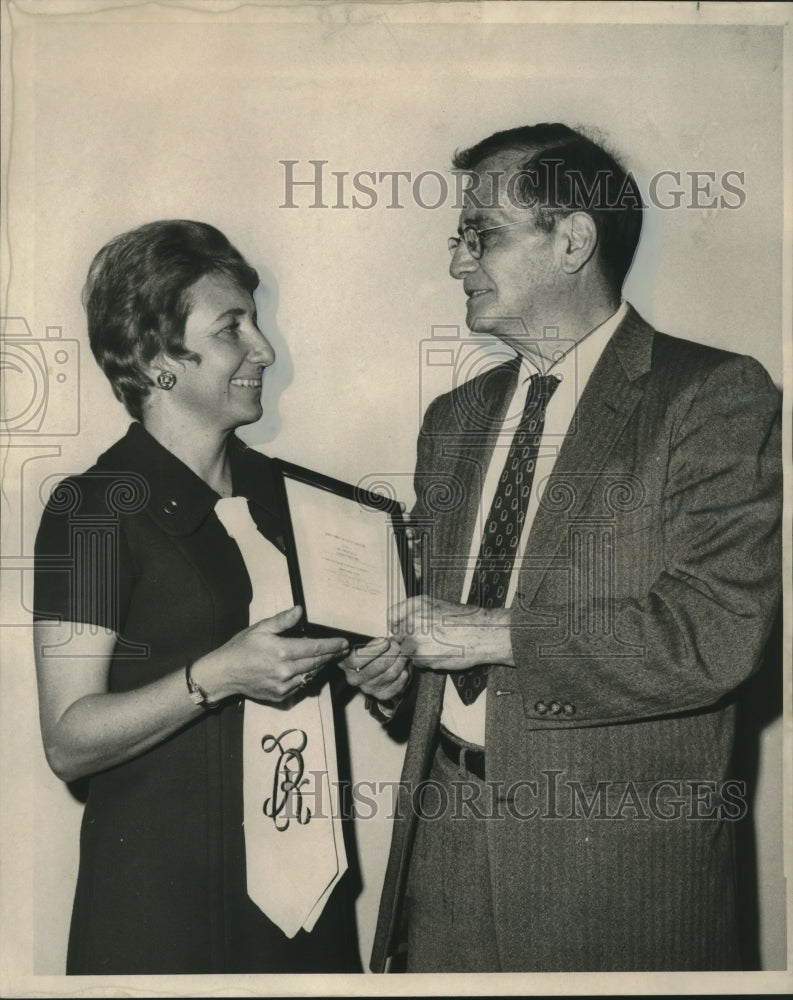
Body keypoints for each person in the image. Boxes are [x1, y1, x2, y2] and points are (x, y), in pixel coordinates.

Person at [371, 124, 782, 972]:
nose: (456, 262)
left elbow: (715, 633)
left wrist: (489, 633)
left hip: (613, 869)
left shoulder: (710, 395)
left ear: (572, 239)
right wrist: (389, 669)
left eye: (478, 233)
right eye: (458, 239)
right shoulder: (451, 422)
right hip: (439, 844)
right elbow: (429, 635)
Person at [33, 220, 410, 974]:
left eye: (255, 323)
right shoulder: (96, 509)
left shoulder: (314, 506)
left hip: (311, 918)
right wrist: (218, 677)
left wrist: (386, 682)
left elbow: (382, 692)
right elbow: (68, 740)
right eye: (231, 327)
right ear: (153, 357)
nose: (263, 350)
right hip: (159, 913)